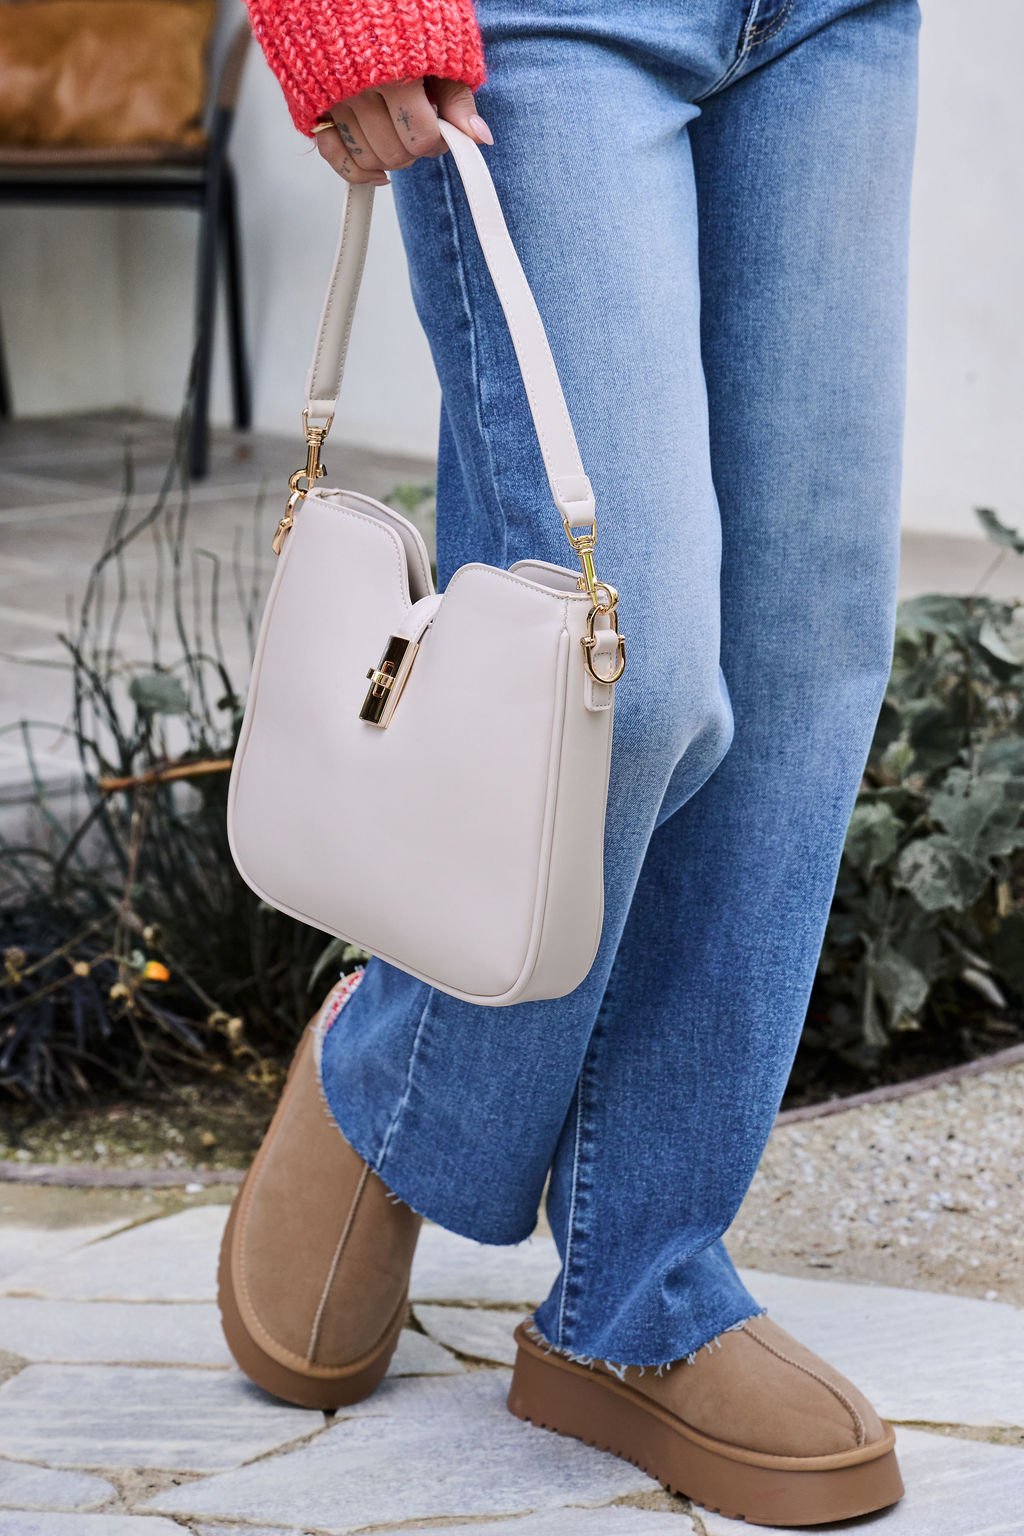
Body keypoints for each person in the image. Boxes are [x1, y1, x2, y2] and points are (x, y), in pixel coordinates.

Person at [219, 0, 920, 1524]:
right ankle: (397, 1084)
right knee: (626, 649)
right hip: (545, 17)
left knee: (803, 651)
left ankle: (644, 1289)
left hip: (839, 23)